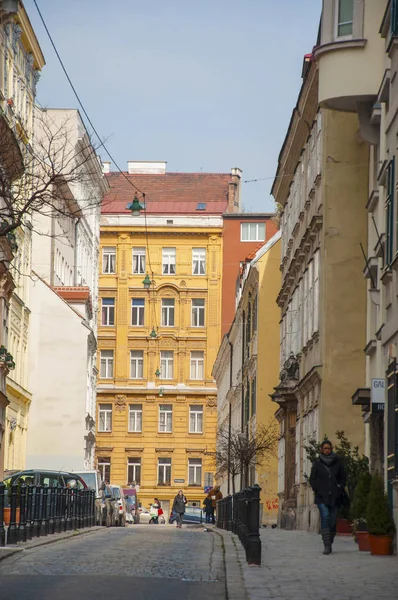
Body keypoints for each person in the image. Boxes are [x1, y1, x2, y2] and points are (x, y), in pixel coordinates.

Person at [309, 439, 347, 555]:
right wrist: (317, 489)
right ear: (321, 450)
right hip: (321, 496)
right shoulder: (317, 464)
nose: (327, 450)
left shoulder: (338, 463)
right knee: (325, 516)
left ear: (331, 449)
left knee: (333, 520)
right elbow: (312, 479)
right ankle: (326, 545)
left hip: (335, 496)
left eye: (329, 448)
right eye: (325, 448)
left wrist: (339, 488)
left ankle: (330, 540)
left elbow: (343, 478)